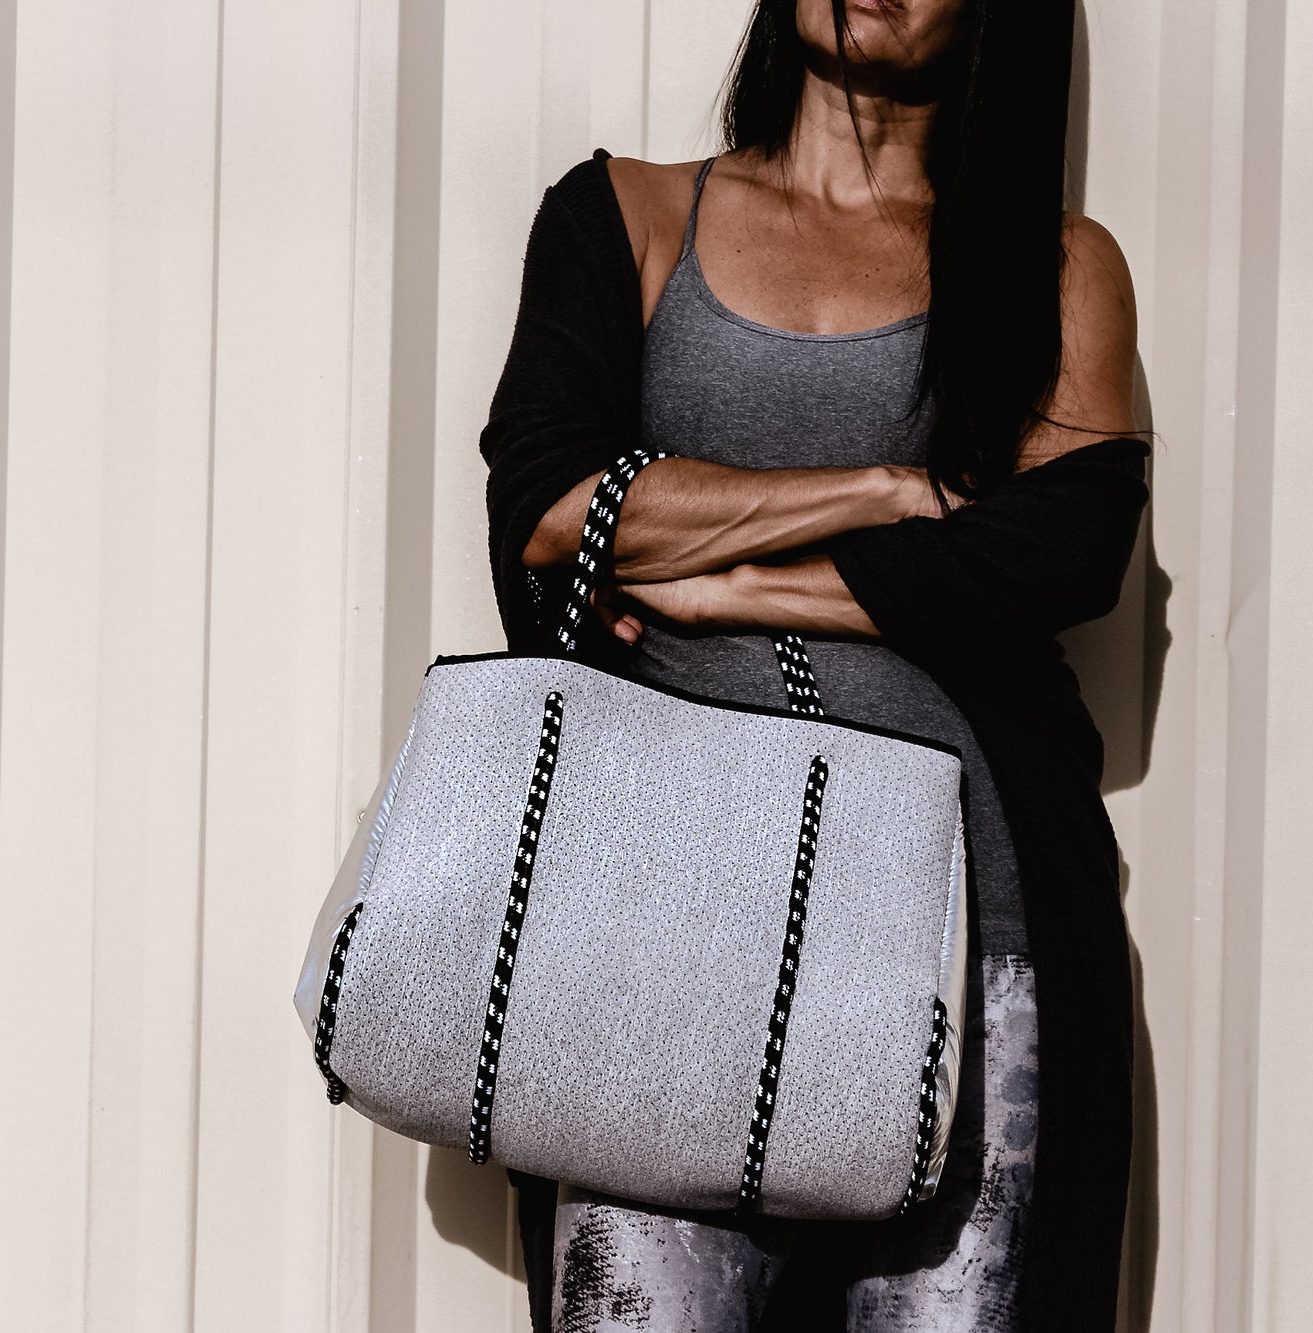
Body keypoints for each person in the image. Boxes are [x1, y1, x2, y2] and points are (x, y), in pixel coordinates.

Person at [479, 1, 1149, 1328]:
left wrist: (721, 579)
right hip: (667, 937)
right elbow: (554, 506)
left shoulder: (1056, 264)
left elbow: (1056, 553)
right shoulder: (627, 214)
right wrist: (885, 489)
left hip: (973, 942)